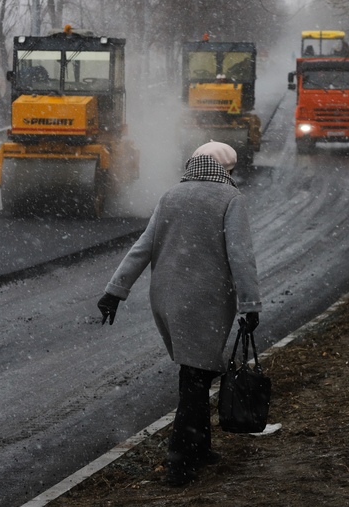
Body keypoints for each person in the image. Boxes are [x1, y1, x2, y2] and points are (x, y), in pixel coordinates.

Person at [97, 141, 262, 486]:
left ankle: (199, 448)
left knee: (195, 375)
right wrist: (249, 306)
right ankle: (179, 463)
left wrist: (114, 292)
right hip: (205, 302)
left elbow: (143, 247)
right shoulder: (230, 199)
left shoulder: (171, 195)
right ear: (226, 170)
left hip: (168, 301)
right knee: (195, 381)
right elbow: (241, 257)